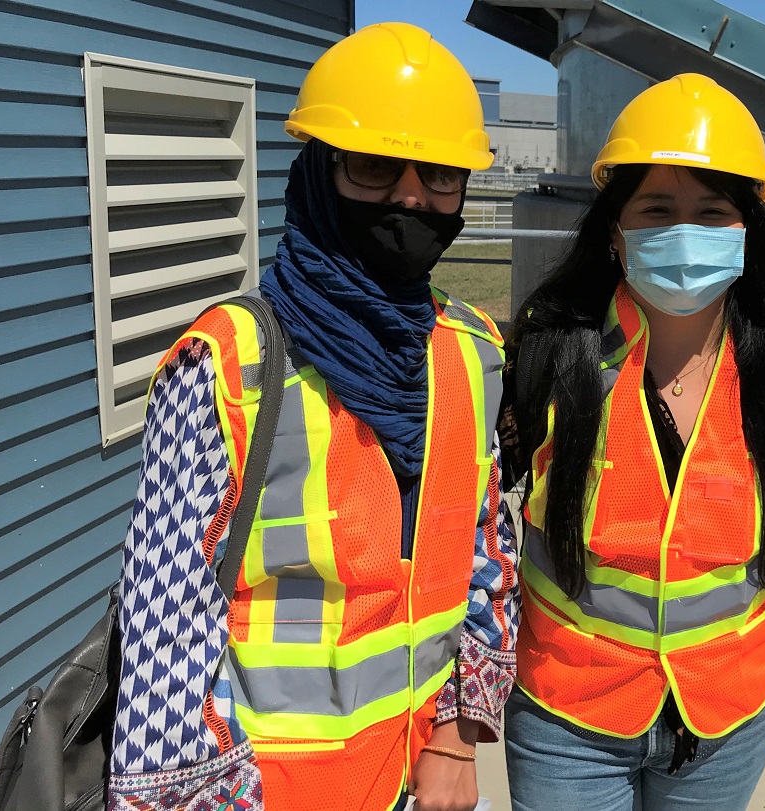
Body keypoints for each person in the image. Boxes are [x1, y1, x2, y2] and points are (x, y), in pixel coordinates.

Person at [107, 23, 518, 811]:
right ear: (320, 172)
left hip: (423, 783)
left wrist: (458, 732)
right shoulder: (229, 366)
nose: (410, 195)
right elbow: (164, 650)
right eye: (372, 165)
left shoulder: (472, 352)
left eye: (439, 173)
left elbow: (487, 558)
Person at [500, 74, 765, 811]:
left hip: (729, 713)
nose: (685, 232)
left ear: (745, 232)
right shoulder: (549, 352)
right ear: (616, 233)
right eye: (657, 209)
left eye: (712, 213)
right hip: (569, 715)